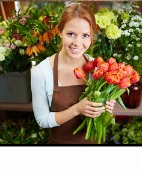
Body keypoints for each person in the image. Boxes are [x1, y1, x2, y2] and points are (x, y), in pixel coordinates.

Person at [31, 3, 116, 144]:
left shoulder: (98, 66)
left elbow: (102, 113)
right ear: (60, 32)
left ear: (92, 36)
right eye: (71, 34)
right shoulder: (41, 72)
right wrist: (77, 109)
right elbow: (42, 120)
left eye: (85, 35)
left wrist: (106, 106)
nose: (77, 43)